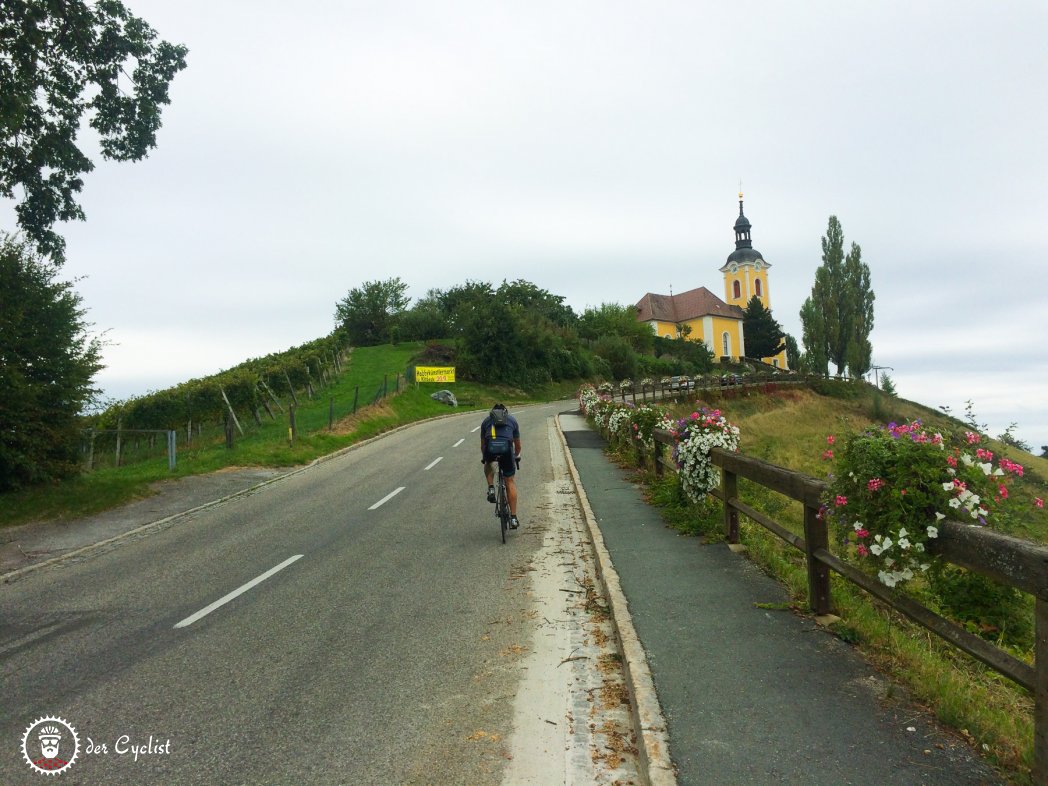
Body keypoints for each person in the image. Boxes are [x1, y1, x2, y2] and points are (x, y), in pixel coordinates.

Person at [480, 403, 522, 529]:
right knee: (509, 481)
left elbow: (483, 445)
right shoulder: (512, 421)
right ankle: (513, 518)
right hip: (506, 451)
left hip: (491, 450)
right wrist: (516, 455)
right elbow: (518, 445)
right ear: (505, 412)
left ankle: (491, 488)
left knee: (489, 464)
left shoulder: (486, 421)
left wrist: (485, 458)